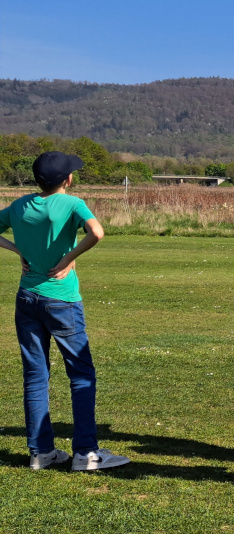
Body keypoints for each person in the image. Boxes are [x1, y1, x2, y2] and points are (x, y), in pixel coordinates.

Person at [0, 151, 130, 471]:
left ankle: (40, 453)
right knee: (81, 375)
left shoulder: (20, 206)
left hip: (27, 297)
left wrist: (17, 250)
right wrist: (71, 257)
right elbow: (96, 233)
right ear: (67, 180)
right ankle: (86, 453)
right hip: (62, 300)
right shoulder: (72, 203)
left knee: (35, 375)